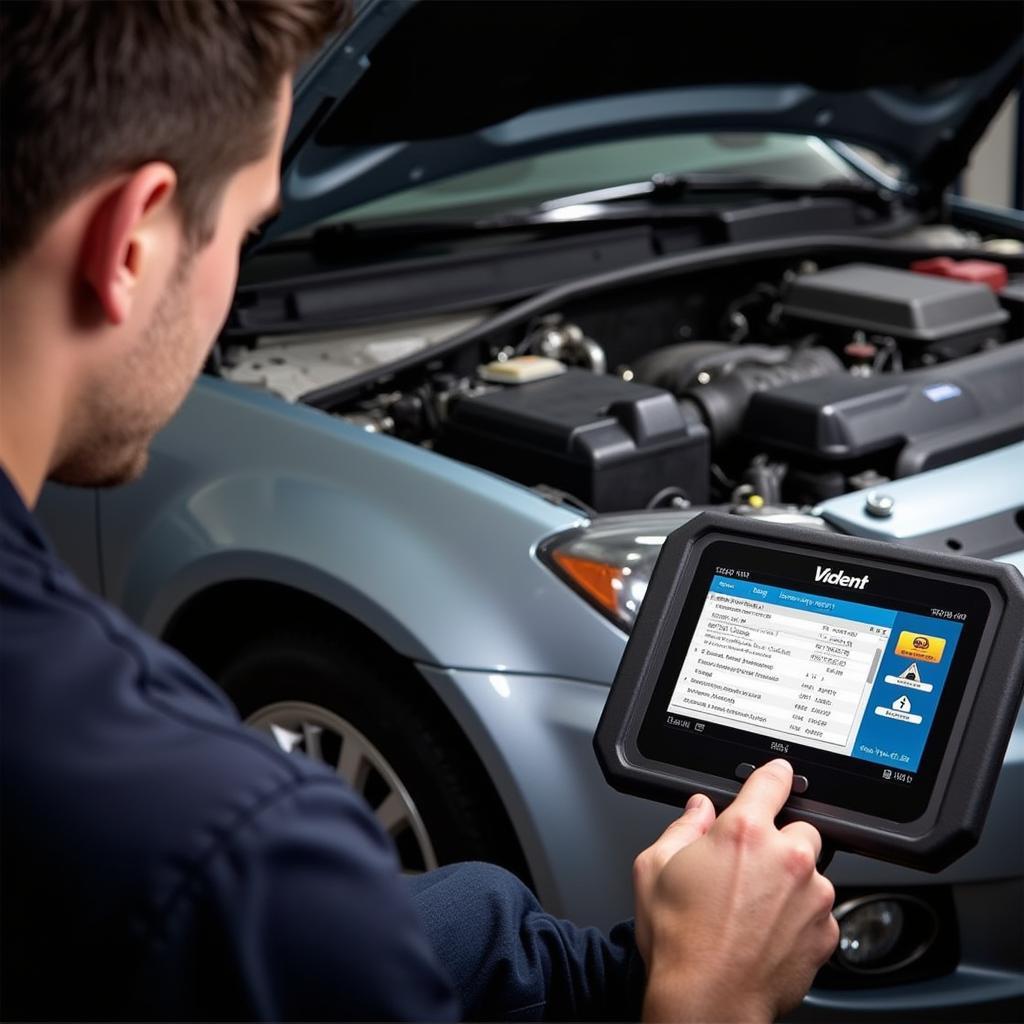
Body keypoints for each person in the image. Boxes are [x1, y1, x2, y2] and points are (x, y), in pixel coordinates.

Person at [0, 2, 839, 1020]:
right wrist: (708, 997)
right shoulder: (225, 842)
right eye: (251, 225)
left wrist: (589, 967)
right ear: (130, 241)